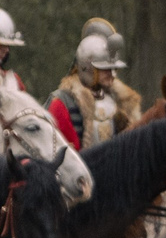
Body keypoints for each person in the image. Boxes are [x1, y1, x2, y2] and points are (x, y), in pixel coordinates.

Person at [49, 18, 141, 148]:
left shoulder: (118, 101)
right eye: (105, 69)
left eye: (114, 69)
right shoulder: (62, 102)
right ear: (87, 67)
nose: (112, 74)